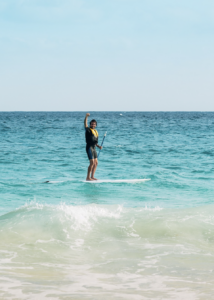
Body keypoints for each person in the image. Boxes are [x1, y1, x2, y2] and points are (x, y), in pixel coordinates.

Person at [84, 113, 102, 181]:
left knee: (96, 163)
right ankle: (88, 177)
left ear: (96, 125)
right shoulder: (88, 130)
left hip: (94, 148)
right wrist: (86, 117)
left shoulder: (95, 131)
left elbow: (94, 142)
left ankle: (92, 176)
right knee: (92, 162)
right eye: (92, 124)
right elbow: (85, 124)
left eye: (94, 124)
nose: (93, 125)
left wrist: (98, 146)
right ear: (90, 124)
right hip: (89, 147)